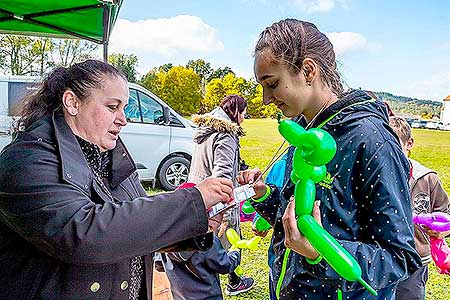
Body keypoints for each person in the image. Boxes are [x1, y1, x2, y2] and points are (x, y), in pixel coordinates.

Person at [0, 60, 234, 300]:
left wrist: (194, 225)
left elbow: (133, 228)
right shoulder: (26, 160)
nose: (123, 119)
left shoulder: (109, 155)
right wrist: (190, 202)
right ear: (72, 103)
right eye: (113, 107)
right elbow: (84, 233)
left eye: (124, 109)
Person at [237, 19, 421, 299]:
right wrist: (265, 197)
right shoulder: (305, 131)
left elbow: (400, 257)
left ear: (308, 70)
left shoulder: (371, 140)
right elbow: (299, 215)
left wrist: (321, 253)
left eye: (272, 83)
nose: (265, 99)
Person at [187, 94, 255, 295]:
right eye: (244, 113)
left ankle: (227, 279)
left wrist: (242, 169)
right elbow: (222, 175)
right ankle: (233, 281)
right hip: (216, 202)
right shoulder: (225, 134)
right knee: (225, 242)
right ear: (236, 112)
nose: (244, 117)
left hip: (197, 193)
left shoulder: (208, 128)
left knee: (203, 243)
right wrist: (226, 205)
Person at [389, 116, 450, 300]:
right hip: (383, 258)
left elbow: (446, 212)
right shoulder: (377, 175)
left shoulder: (427, 178)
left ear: (409, 144)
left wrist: (442, 232)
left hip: (415, 262)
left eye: (395, 145)